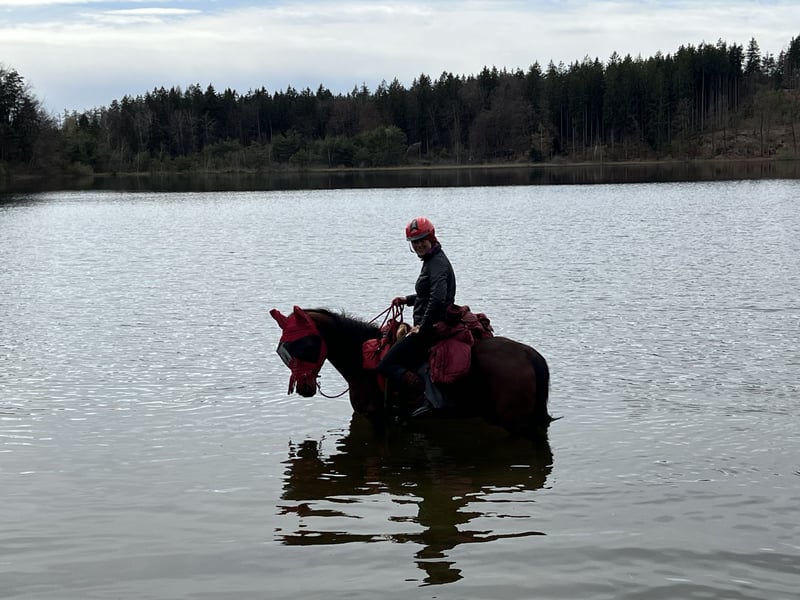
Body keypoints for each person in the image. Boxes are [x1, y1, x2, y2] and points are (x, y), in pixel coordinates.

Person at [377, 216, 456, 416]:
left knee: (386, 364)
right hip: (428, 323)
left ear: (431, 237)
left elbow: (438, 299)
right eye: (414, 242)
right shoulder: (432, 260)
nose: (418, 245)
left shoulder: (436, 263)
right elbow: (427, 294)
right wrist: (407, 299)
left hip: (430, 328)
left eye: (422, 240)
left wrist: (422, 327)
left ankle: (424, 397)